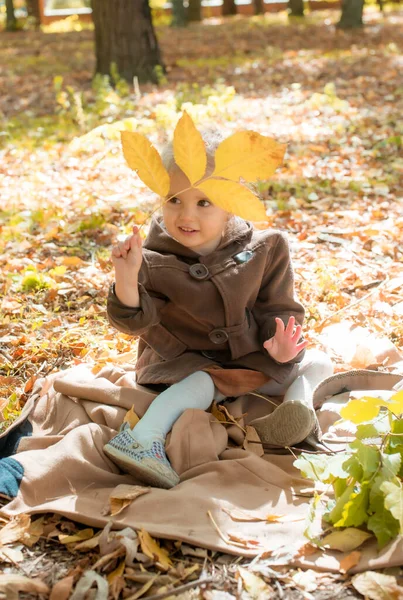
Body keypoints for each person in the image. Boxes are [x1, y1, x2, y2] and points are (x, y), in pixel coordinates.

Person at [103, 130, 333, 489]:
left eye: (204, 203)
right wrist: (126, 277)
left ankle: (296, 410)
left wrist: (280, 343)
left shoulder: (267, 248)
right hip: (185, 361)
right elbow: (135, 321)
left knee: (320, 362)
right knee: (202, 383)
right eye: (174, 200)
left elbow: (279, 306)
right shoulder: (152, 260)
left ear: (232, 203)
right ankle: (141, 438)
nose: (186, 215)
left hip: (250, 359)